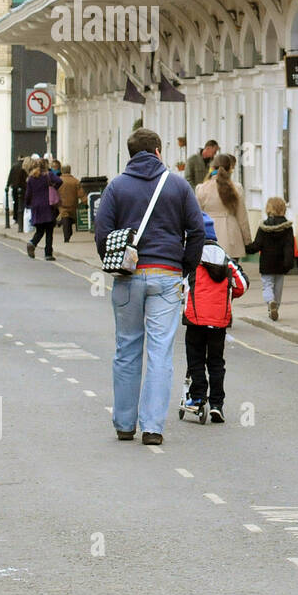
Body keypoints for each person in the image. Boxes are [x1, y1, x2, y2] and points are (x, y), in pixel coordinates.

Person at [94, 128, 205, 445]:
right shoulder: (178, 185)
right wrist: (184, 267)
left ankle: (125, 424)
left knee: (127, 349)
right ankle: (153, 427)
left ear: (131, 154)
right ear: (158, 151)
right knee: (160, 352)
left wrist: (116, 261)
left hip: (129, 278)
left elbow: (103, 233)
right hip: (167, 275)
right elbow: (196, 231)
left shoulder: (116, 186)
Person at [183, 213, 248, 423]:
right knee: (216, 361)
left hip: (195, 318)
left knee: (195, 359)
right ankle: (217, 404)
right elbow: (242, 284)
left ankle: (198, 397)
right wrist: (227, 295)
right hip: (219, 320)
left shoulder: (192, 258)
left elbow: (180, 284)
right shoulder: (225, 259)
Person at [245, 196, 295, 321]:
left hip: (267, 264)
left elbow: (256, 246)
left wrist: (246, 248)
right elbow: (289, 247)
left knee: (267, 285)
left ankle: (270, 302)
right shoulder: (287, 228)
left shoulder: (263, 227)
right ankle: (275, 308)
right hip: (281, 264)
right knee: (278, 288)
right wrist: (289, 263)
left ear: (269, 209)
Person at [195, 152, 251, 262]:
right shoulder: (237, 188)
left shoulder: (201, 189)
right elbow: (242, 217)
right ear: (230, 168)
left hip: (209, 236)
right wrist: (247, 241)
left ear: (212, 167)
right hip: (232, 236)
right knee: (231, 273)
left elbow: (197, 217)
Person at [24, 159, 63, 260]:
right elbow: (59, 181)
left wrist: (28, 204)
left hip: (36, 207)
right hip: (48, 205)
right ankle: (48, 253)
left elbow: (28, 194)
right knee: (49, 231)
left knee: (40, 230)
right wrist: (53, 187)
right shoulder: (48, 175)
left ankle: (32, 243)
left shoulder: (31, 178)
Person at [57, 164, 82, 243]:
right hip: (73, 204)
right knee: (70, 218)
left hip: (61, 204)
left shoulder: (58, 180)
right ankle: (68, 233)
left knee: (65, 219)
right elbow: (81, 193)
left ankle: (66, 236)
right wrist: (85, 202)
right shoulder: (75, 181)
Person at [6, 156, 28, 232]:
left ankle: (16, 218)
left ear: (19, 158)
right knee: (23, 203)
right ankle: (21, 218)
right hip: (23, 187)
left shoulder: (14, 166)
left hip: (15, 187)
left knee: (16, 203)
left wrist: (8, 185)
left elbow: (10, 176)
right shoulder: (25, 166)